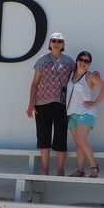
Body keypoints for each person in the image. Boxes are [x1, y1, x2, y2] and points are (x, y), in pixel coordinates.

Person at [26, 33, 74, 175]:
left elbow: (78, 76)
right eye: (54, 41)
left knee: (61, 135)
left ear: (63, 45)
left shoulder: (69, 61)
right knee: (43, 134)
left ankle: (60, 169)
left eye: (59, 41)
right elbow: (35, 83)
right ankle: (45, 168)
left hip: (61, 103)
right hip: (42, 102)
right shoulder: (42, 60)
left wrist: (94, 74)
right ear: (49, 43)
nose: (56, 44)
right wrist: (31, 104)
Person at [66, 50, 104, 178]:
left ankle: (94, 166)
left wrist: (95, 102)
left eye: (86, 61)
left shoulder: (89, 76)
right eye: (81, 60)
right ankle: (80, 170)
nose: (83, 63)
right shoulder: (70, 75)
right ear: (77, 60)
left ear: (89, 64)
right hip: (71, 113)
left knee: (81, 140)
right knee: (78, 143)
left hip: (85, 113)